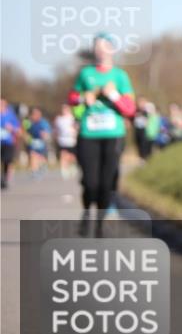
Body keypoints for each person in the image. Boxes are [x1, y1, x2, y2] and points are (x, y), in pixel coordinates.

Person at [68, 33, 136, 236]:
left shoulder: (120, 76)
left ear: (112, 49)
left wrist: (113, 94)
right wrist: (83, 98)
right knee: (90, 182)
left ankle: (99, 223)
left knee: (106, 184)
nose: (100, 50)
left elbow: (130, 109)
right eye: (97, 46)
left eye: (105, 46)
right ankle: (87, 212)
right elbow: (72, 99)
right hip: (88, 134)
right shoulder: (85, 74)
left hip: (113, 135)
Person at [0, 98, 21, 190]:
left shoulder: (11, 115)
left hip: (8, 142)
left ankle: (4, 179)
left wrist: (11, 128)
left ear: (5, 105)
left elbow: (18, 130)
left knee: (6, 161)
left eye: (2, 104)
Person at [54, 104, 79, 179]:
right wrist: (56, 136)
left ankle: (72, 166)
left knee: (72, 156)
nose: (64, 110)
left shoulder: (72, 118)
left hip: (71, 140)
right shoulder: (58, 119)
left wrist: (75, 134)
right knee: (63, 155)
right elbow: (56, 129)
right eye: (63, 109)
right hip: (62, 139)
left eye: (66, 109)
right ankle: (64, 171)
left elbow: (76, 127)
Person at [26, 107, 53, 178]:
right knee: (33, 155)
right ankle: (34, 171)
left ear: (39, 115)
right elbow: (27, 131)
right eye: (33, 114)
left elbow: (47, 132)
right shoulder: (30, 122)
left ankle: (43, 165)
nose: (34, 116)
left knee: (40, 157)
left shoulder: (43, 123)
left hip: (42, 142)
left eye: (36, 114)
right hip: (34, 142)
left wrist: (44, 134)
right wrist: (27, 136)